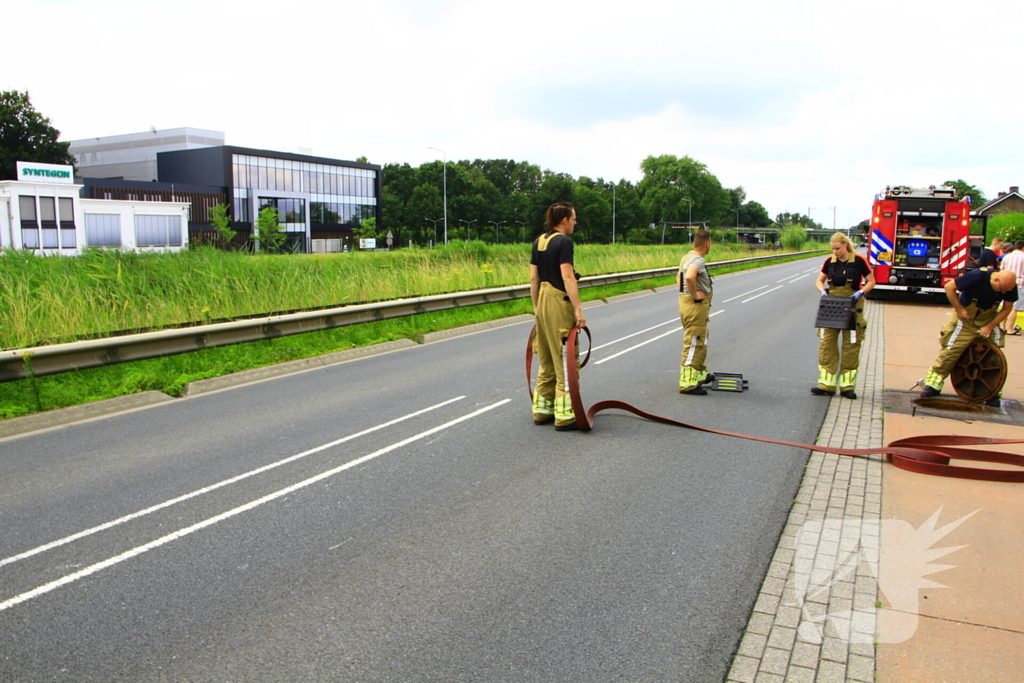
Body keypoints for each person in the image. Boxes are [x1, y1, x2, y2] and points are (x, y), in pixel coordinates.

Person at [920, 269, 1018, 406]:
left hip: (988, 319)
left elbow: (1006, 309)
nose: (1003, 293)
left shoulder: (1009, 286)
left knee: (994, 353)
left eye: (1006, 291)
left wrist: (990, 327)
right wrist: (960, 310)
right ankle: (933, 384)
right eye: (1001, 290)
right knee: (951, 351)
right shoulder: (978, 276)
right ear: (995, 280)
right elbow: (949, 287)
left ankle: (992, 391)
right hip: (965, 320)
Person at [530, 202, 586, 431]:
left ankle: (542, 410)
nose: (575, 222)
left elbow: (534, 279)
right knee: (565, 358)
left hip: (542, 301)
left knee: (546, 358)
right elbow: (568, 277)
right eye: (573, 219)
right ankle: (565, 415)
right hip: (558, 303)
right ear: (563, 220)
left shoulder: (539, 241)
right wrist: (578, 310)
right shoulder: (564, 242)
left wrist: (537, 308)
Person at [811, 232, 875, 399]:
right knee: (826, 344)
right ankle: (826, 385)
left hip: (852, 307)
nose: (835, 252)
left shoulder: (859, 261)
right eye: (833, 249)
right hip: (832, 308)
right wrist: (822, 292)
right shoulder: (829, 262)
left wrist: (860, 292)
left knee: (851, 346)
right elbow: (819, 281)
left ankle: (847, 387)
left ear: (845, 245)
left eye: (838, 248)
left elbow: (871, 281)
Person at [677, 230, 714, 394]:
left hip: (687, 304)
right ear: (708, 244)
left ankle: (698, 374)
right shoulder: (697, 260)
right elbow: (689, 277)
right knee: (694, 341)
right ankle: (687, 383)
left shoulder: (686, 257)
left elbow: (678, 278)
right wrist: (694, 294)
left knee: (700, 339)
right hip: (695, 305)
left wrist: (686, 292)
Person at [999, 241, 1024, 335]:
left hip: (1006, 283)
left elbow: (1001, 270)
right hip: (1020, 284)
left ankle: (1002, 327)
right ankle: (1010, 329)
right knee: (1015, 308)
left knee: (1005, 306)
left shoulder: (1006, 257)